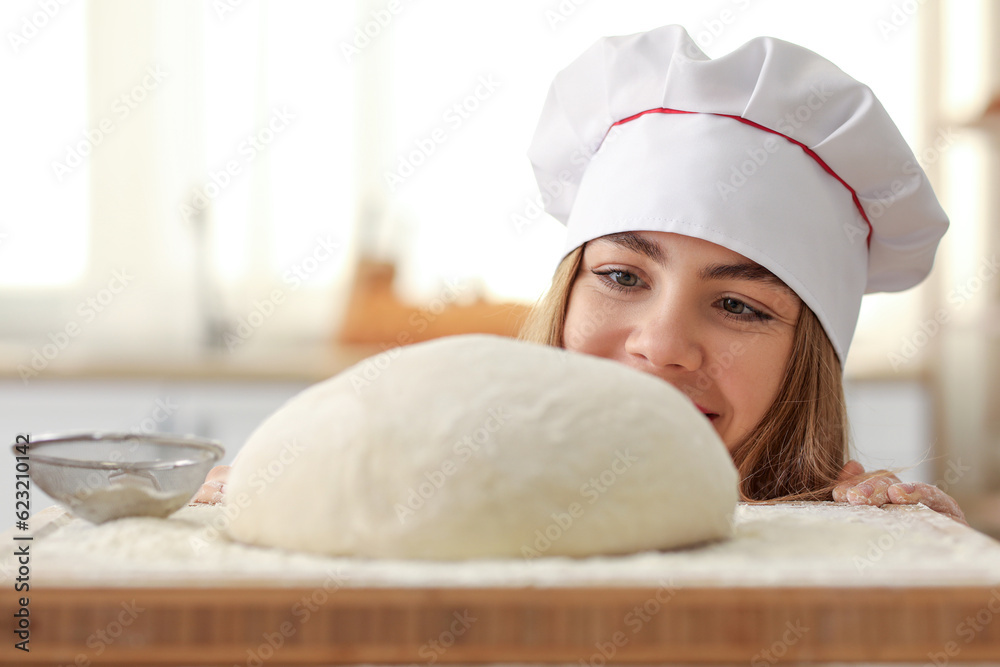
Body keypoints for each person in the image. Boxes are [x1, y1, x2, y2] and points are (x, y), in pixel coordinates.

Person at [195, 25, 966, 524]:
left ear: (807, 363)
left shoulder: (839, 532)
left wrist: (903, 547)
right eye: (625, 277)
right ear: (565, 296)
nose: (662, 348)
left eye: (737, 303)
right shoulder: (452, 484)